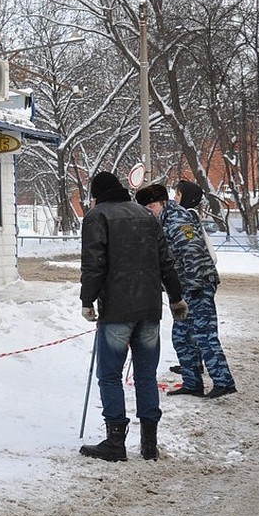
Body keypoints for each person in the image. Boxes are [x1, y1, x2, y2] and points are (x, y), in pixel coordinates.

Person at [80, 171, 187, 462]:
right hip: (150, 308)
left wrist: (87, 300)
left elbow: (94, 265)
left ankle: (115, 442)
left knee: (110, 375)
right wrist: (175, 297)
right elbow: (166, 261)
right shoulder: (146, 215)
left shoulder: (97, 217)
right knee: (146, 375)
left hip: (117, 309)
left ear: (97, 195)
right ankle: (149, 444)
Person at [136, 182, 238, 400]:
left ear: (163, 203)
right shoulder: (163, 220)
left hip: (197, 284)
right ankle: (192, 383)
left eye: (151, 207)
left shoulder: (177, 220)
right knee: (182, 337)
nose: (149, 212)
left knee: (203, 334)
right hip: (186, 288)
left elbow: (191, 252)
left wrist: (188, 288)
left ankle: (223, 381)